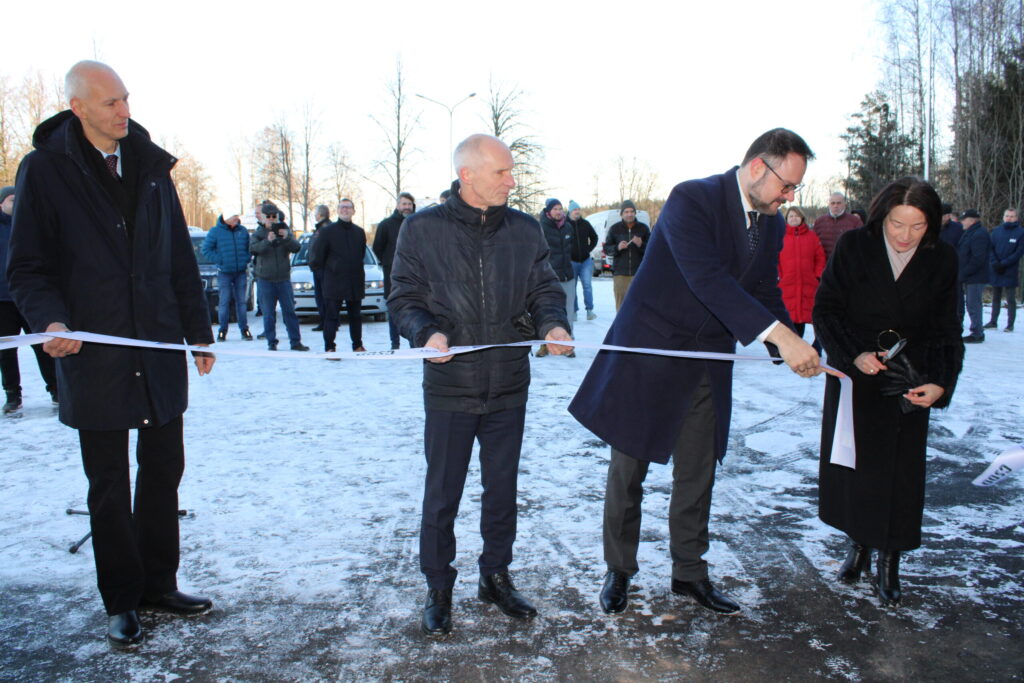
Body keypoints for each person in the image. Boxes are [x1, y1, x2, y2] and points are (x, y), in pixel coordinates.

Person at [570, 128, 823, 617]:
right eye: (787, 185)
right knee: (630, 469)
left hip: (709, 360)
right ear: (757, 168)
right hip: (651, 352)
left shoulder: (769, 222)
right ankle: (619, 569)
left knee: (698, 470)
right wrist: (778, 337)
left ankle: (690, 573)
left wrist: (792, 342)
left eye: (796, 189)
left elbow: (763, 288)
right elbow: (706, 278)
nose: (790, 197)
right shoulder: (693, 199)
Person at [6, 61, 216, 648]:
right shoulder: (44, 171)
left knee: (163, 474)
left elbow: (177, 256)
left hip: (156, 344)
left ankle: (158, 584)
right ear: (77, 107)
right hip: (92, 352)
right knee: (108, 481)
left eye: (125, 100)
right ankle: (121, 599)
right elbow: (26, 266)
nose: (123, 112)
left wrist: (197, 331)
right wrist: (51, 320)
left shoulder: (151, 167)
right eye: (109, 104)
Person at [388, 133, 571, 638]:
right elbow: (402, 297)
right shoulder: (421, 229)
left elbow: (545, 289)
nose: (512, 180)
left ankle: (495, 576)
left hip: (509, 383)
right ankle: (438, 586)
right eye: (502, 173)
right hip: (450, 385)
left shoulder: (523, 229)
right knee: (442, 492)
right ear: (467, 175)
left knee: (502, 489)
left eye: (512, 172)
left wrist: (553, 325)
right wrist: (427, 333)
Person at [814, 177, 964, 608]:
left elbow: (947, 328)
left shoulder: (943, 258)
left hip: (909, 379)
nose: (905, 235)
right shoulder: (854, 247)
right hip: (858, 375)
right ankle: (859, 544)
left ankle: (890, 559)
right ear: (882, 216)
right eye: (898, 224)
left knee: (900, 473)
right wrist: (852, 354)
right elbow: (826, 310)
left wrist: (940, 381)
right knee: (857, 466)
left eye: (917, 227)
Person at [0, 185, 58, 413]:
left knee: (44, 345)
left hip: (31, 299)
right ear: (2, 203)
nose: (16, 204)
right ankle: (13, 396)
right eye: (12, 200)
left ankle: (56, 390)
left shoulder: (31, 226)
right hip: (3, 300)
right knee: (6, 350)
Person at [309, 198, 367, 353]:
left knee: (355, 316)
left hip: (354, 281)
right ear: (337, 210)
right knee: (332, 316)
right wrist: (326, 274)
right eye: (342, 207)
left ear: (354, 211)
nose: (345, 210)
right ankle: (329, 346)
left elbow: (361, 254)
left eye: (348, 207)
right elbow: (317, 257)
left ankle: (357, 345)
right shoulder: (327, 232)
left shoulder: (359, 232)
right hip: (334, 281)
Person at [250, 202, 308, 351]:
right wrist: (267, 241)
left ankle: (295, 342)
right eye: (268, 216)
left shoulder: (284, 230)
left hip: (283, 279)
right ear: (262, 218)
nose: (271, 219)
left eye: (273, 216)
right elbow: (253, 249)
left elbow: (297, 248)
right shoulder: (258, 234)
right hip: (265, 279)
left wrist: (287, 237)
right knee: (268, 314)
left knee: (289, 312)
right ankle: (271, 342)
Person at [778, 206, 825, 351]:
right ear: (786, 219)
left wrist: (817, 275)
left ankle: (817, 346)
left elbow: (820, 257)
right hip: (788, 283)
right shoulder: (780, 237)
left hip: (809, 283)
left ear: (802, 218)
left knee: (812, 315)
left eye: (796, 216)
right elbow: (774, 259)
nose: (793, 219)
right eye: (791, 216)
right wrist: (780, 276)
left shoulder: (812, 237)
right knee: (791, 315)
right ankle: (792, 348)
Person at [372, 192, 415, 349]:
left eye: (409, 204)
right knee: (394, 308)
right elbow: (377, 247)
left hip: (414, 274)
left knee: (414, 308)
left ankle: (413, 342)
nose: (407, 207)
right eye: (404, 204)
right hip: (393, 274)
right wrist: (389, 262)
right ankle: (394, 343)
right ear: (397, 206)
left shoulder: (418, 222)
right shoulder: (386, 225)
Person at [202, 209, 253, 341]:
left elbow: (249, 248)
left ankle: (244, 330)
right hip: (224, 273)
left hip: (240, 272)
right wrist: (220, 260)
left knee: (241, 302)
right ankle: (222, 331)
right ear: (227, 218)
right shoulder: (215, 231)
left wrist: (246, 259)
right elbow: (206, 249)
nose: (237, 218)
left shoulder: (243, 231)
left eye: (237, 216)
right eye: (234, 216)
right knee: (224, 301)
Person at [535, 198, 576, 358]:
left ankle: (568, 345)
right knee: (546, 310)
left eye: (560, 208)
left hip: (568, 275)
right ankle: (544, 344)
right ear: (548, 211)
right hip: (548, 276)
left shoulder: (568, 227)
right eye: (555, 209)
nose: (558, 212)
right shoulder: (541, 227)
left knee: (569, 312)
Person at [603, 200, 650, 310]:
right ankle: (621, 327)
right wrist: (617, 248)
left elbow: (652, 249)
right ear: (622, 214)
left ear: (635, 213)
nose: (629, 214)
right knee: (621, 307)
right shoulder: (614, 229)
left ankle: (638, 327)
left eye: (632, 211)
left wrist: (641, 244)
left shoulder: (643, 228)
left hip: (639, 273)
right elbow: (606, 249)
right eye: (626, 212)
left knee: (639, 305)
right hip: (620, 274)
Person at [984, 208, 1023, 332]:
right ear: (1003, 217)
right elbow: (990, 248)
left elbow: (1018, 252)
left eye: (1012, 216)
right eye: (1007, 216)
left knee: (1010, 298)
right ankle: (993, 321)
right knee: (996, 296)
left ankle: (1010, 324)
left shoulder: (1021, 232)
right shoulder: (996, 231)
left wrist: (1004, 264)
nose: (1009, 218)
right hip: (995, 268)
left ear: (1016, 218)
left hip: (1010, 269)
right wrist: (995, 263)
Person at [956, 209, 991, 343]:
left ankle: (977, 333)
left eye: (964, 219)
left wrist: (964, 273)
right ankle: (976, 330)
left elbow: (977, 258)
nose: (962, 222)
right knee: (971, 303)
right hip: (970, 276)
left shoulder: (979, 234)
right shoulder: (970, 233)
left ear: (972, 220)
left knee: (973, 304)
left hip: (976, 276)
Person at [567, 200, 599, 321]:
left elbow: (594, 237)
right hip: (571, 261)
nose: (577, 212)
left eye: (578, 209)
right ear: (570, 211)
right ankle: (574, 311)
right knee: (572, 287)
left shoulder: (585, 224)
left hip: (586, 261)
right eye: (575, 210)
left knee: (587, 286)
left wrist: (588, 249)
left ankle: (589, 310)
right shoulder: (565, 225)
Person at [813, 192, 863, 260]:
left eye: (839, 203)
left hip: (847, 265)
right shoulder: (819, 222)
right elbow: (813, 246)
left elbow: (861, 245)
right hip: (825, 265)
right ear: (829, 204)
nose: (835, 206)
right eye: (833, 203)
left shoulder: (855, 221)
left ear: (845, 205)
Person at [309, 204, 331, 332]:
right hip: (317, 268)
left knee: (325, 297)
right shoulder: (319, 228)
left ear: (320, 214)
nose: (314, 215)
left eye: (316, 213)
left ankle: (327, 321)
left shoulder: (326, 228)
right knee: (320, 297)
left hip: (323, 268)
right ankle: (325, 320)